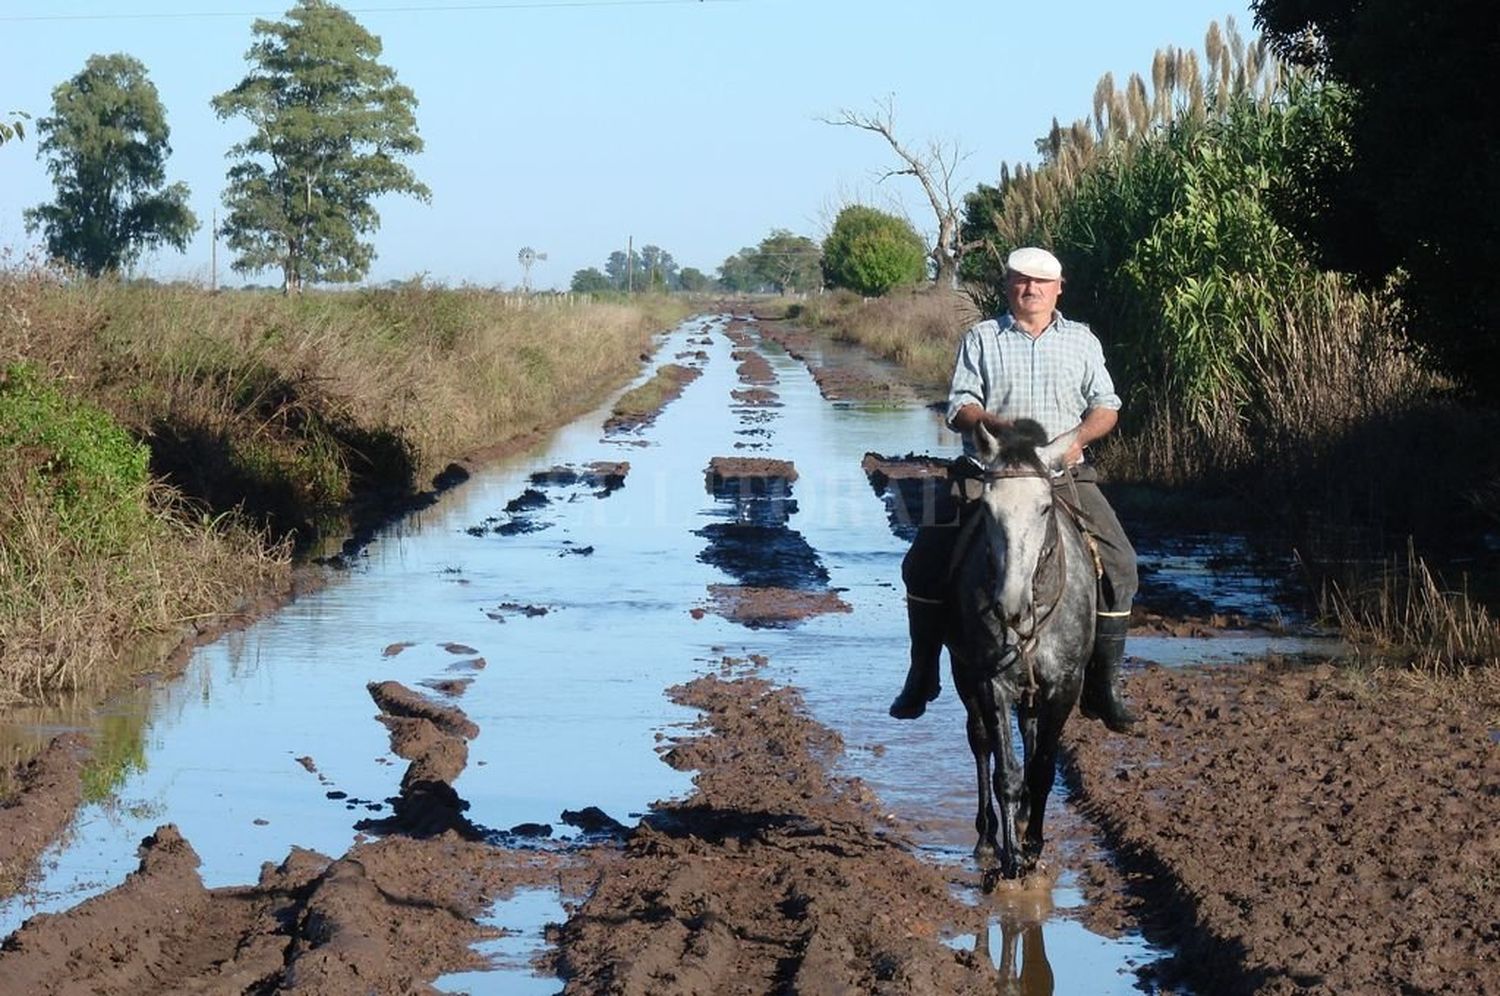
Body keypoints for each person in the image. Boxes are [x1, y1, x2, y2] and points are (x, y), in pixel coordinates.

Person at [889, 246, 1138, 733]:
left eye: (1041, 283)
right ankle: (922, 675)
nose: (1031, 289)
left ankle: (1103, 686)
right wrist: (992, 425)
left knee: (1122, 565)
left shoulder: (1082, 342)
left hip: (1063, 474)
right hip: (986, 472)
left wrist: (1075, 441)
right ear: (1008, 286)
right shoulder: (982, 338)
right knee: (922, 563)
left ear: (1058, 288)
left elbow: (1106, 407)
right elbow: (959, 405)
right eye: (1021, 281)